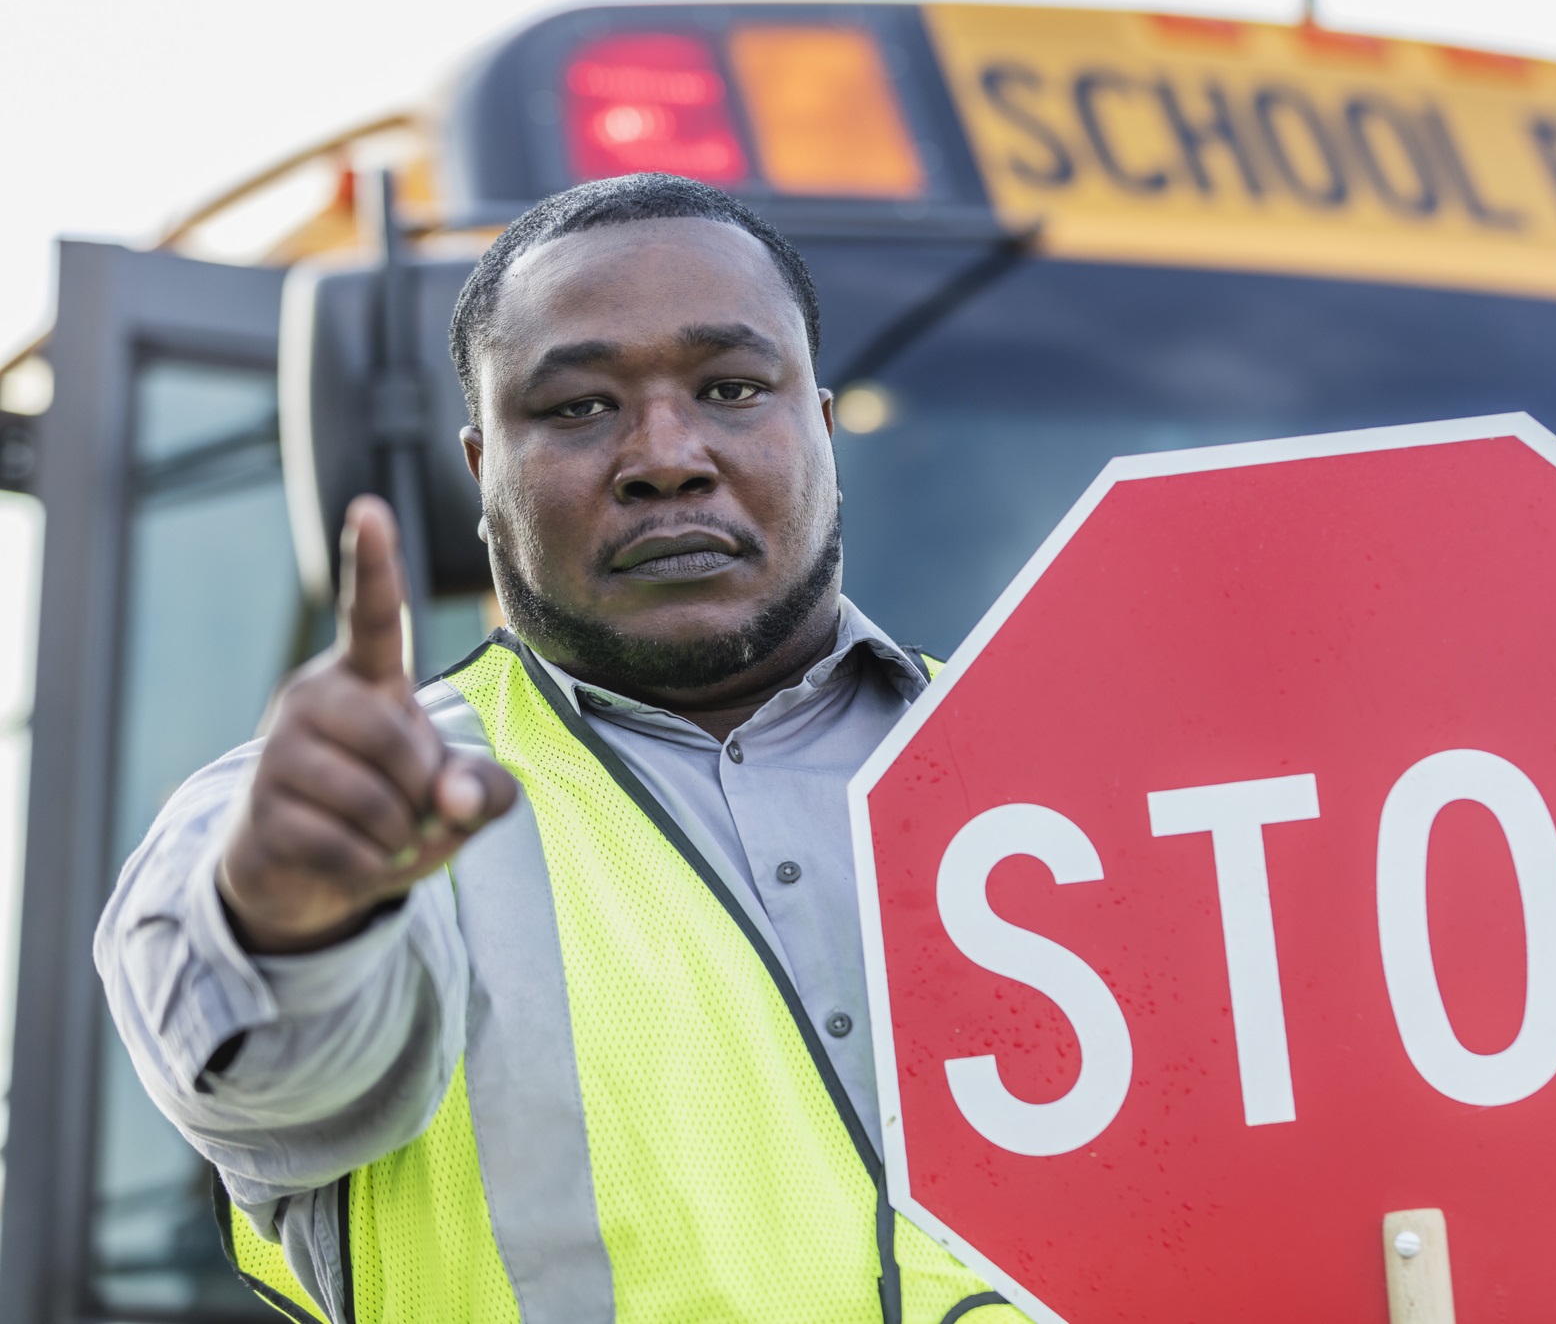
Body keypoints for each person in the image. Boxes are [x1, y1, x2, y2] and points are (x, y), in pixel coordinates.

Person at [95, 173, 1024, 1324]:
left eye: (732, 387)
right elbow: (281, 1066)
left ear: (821, 430)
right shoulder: (387, 819)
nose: (666, 455)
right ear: (484, 472)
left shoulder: (1066, 773)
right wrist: (296, 919)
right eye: (581, 406)